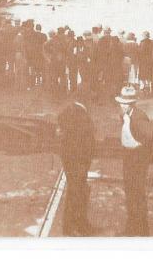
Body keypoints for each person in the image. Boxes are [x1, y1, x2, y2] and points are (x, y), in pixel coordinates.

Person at [115, 86, 153, 236]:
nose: (123, 106)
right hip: (128, 156)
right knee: (130, 194)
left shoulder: (139, 117)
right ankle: (132, 228)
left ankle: (142, 231)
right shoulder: (124, 115)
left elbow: (150, 138)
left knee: (137, 195)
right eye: (121, 103)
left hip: (137, 159)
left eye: (126, 104)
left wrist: (145, 158)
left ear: (133, 104)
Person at [57, 92, 97, 236]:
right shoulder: (80, 115)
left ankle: (78, 225)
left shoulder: (69, 111)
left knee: (77, 191)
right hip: (77, 162)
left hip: (72, 160)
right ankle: (72, 227)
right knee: (76, 192)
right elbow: (82, 141)